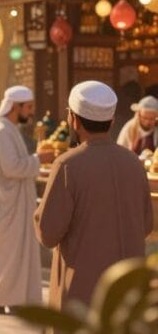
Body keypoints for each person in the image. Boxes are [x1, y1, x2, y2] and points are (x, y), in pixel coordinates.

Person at [35, 81, 153, 311]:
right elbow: (147, 225)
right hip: (127, 294)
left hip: (81, 291)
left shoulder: (68, 165)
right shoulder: (134, 163)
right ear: (110, 121)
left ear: (73, 119)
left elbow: (48, 232)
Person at [0, 86, 54, 314]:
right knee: (8, 254)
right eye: (29, 107)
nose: (31, 112)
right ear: (16, 106)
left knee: (13, 254)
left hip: (13, 203)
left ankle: (9, 299)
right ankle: (3, 299)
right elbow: (11, 167)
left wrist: (34, 161)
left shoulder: (7, 129)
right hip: (7, 206)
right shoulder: (2, 131)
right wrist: (38, 159)